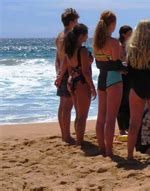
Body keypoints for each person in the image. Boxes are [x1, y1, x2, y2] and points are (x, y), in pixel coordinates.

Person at [125, 20, 150, 163]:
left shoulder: (132, 50)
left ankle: (130, 156)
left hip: (136, 88)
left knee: (134, 124)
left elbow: (129, 73)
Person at [93, 10, 123, 157]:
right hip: (113, 79)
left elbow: (99, 64)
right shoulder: (113, 42)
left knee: (101, 117)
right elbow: (117, 65)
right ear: (111, 24)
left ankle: (102, 149)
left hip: (101, 78)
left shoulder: (96, 42)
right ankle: (110, 151)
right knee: (111, 118)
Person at [63, 23, 96, 145]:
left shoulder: (69, 50)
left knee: (78, 114)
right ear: (82, 35)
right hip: (82, 83)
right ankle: (80, 141)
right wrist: (92, 87)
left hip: (72, 81)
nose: (87, 37)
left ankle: (79, 139)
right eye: (86, 35)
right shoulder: (82, 51)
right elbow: (86, 72)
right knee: (83, 115)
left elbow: (70, 69)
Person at [54, 8, 79, 144]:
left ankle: (64, 134)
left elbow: (57, 58)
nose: (77, 23)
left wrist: (58, 73)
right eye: (76, 20)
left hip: (61, 72)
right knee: (68, 106)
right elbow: (66, 58)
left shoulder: (59, 36)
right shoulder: (70, 36)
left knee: (62, 105)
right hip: (68, 73)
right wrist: (63, 74)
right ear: (71, 22)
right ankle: (67, 136)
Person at [117, 25, 133, 135]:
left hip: (129, 75)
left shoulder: (129, 45)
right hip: (121, 75)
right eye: (129, 34)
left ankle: (127, 127)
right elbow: (118, 60)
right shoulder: (118, 45)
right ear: (123, 34)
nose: (131, 36)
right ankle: (122, 128)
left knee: (128, 102)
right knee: (121, 102)